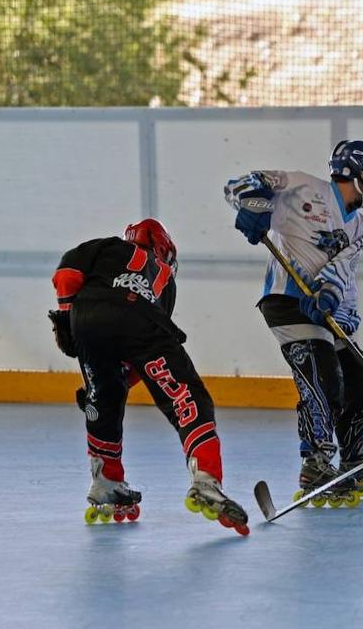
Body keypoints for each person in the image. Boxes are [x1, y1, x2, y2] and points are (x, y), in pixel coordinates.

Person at [224, 140, 363, 504]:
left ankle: (354, 461)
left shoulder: (359, 225)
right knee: (322, 372)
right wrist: (252, 207)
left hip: (320, 309)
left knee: (360, 373)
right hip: (286, 301)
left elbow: (343, 268)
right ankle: (316, 460)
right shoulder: (303, 186)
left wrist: (333, 299)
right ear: (357, 174)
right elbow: (239, 185)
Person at [48, 219, 249, 535]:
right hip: (140, 318)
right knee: (186, 396)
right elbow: (145, 359)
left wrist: (66, 318)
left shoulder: (104, 246)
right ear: (162, 248)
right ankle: (206, 479)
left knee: (103, 399)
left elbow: (66, 275)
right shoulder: (166, 278)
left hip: (88, 315)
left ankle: (106, 482)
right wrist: (126, 377)